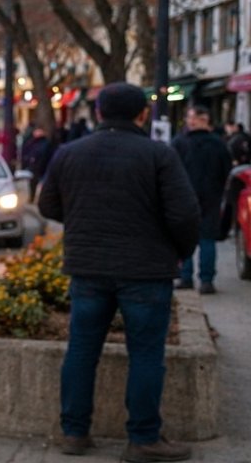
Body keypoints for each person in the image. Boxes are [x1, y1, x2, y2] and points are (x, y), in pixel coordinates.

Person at [38, 82, 200, 462]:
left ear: (98, 113)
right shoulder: (158, 154)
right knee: (145, 353)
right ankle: (143, 438)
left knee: (81, 349)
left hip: (88, 267)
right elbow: (185, 213)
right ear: (142, 114)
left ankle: (74, 433)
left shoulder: (68, 153)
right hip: (145, 269)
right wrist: (180, 251)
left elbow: (47, 204)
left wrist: (81, 220)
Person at [172, 106, 233, 294]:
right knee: (207, 238)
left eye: (191, 118)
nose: (189, 122)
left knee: (186, 237)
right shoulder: (219, 144)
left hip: (186, 197)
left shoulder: (180, 142)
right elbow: (226, 171)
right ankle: (206, 280)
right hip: (211, 196)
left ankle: (185, 277)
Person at [20, 126, 54, 201]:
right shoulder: (32, 142)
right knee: (33, 183)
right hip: (34, 166)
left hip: (41, 166)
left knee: (42, 183)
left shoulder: (45, 143)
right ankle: (32, 197)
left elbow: (46, 154)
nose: (36, 133)